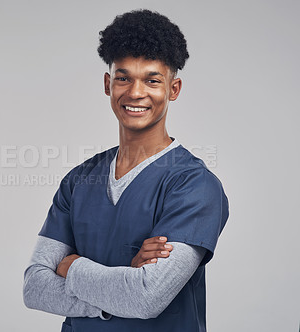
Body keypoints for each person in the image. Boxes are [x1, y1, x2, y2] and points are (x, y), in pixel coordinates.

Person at [23, 9, 229, 332]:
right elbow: (34, 287)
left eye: (152, 79)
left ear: (173, 89)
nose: (135, 92)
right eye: (123, 77)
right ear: (108, 84)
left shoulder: (195, 187)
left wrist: (70, 265)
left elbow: (146, 297)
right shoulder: (78, 181)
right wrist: (123, 279)